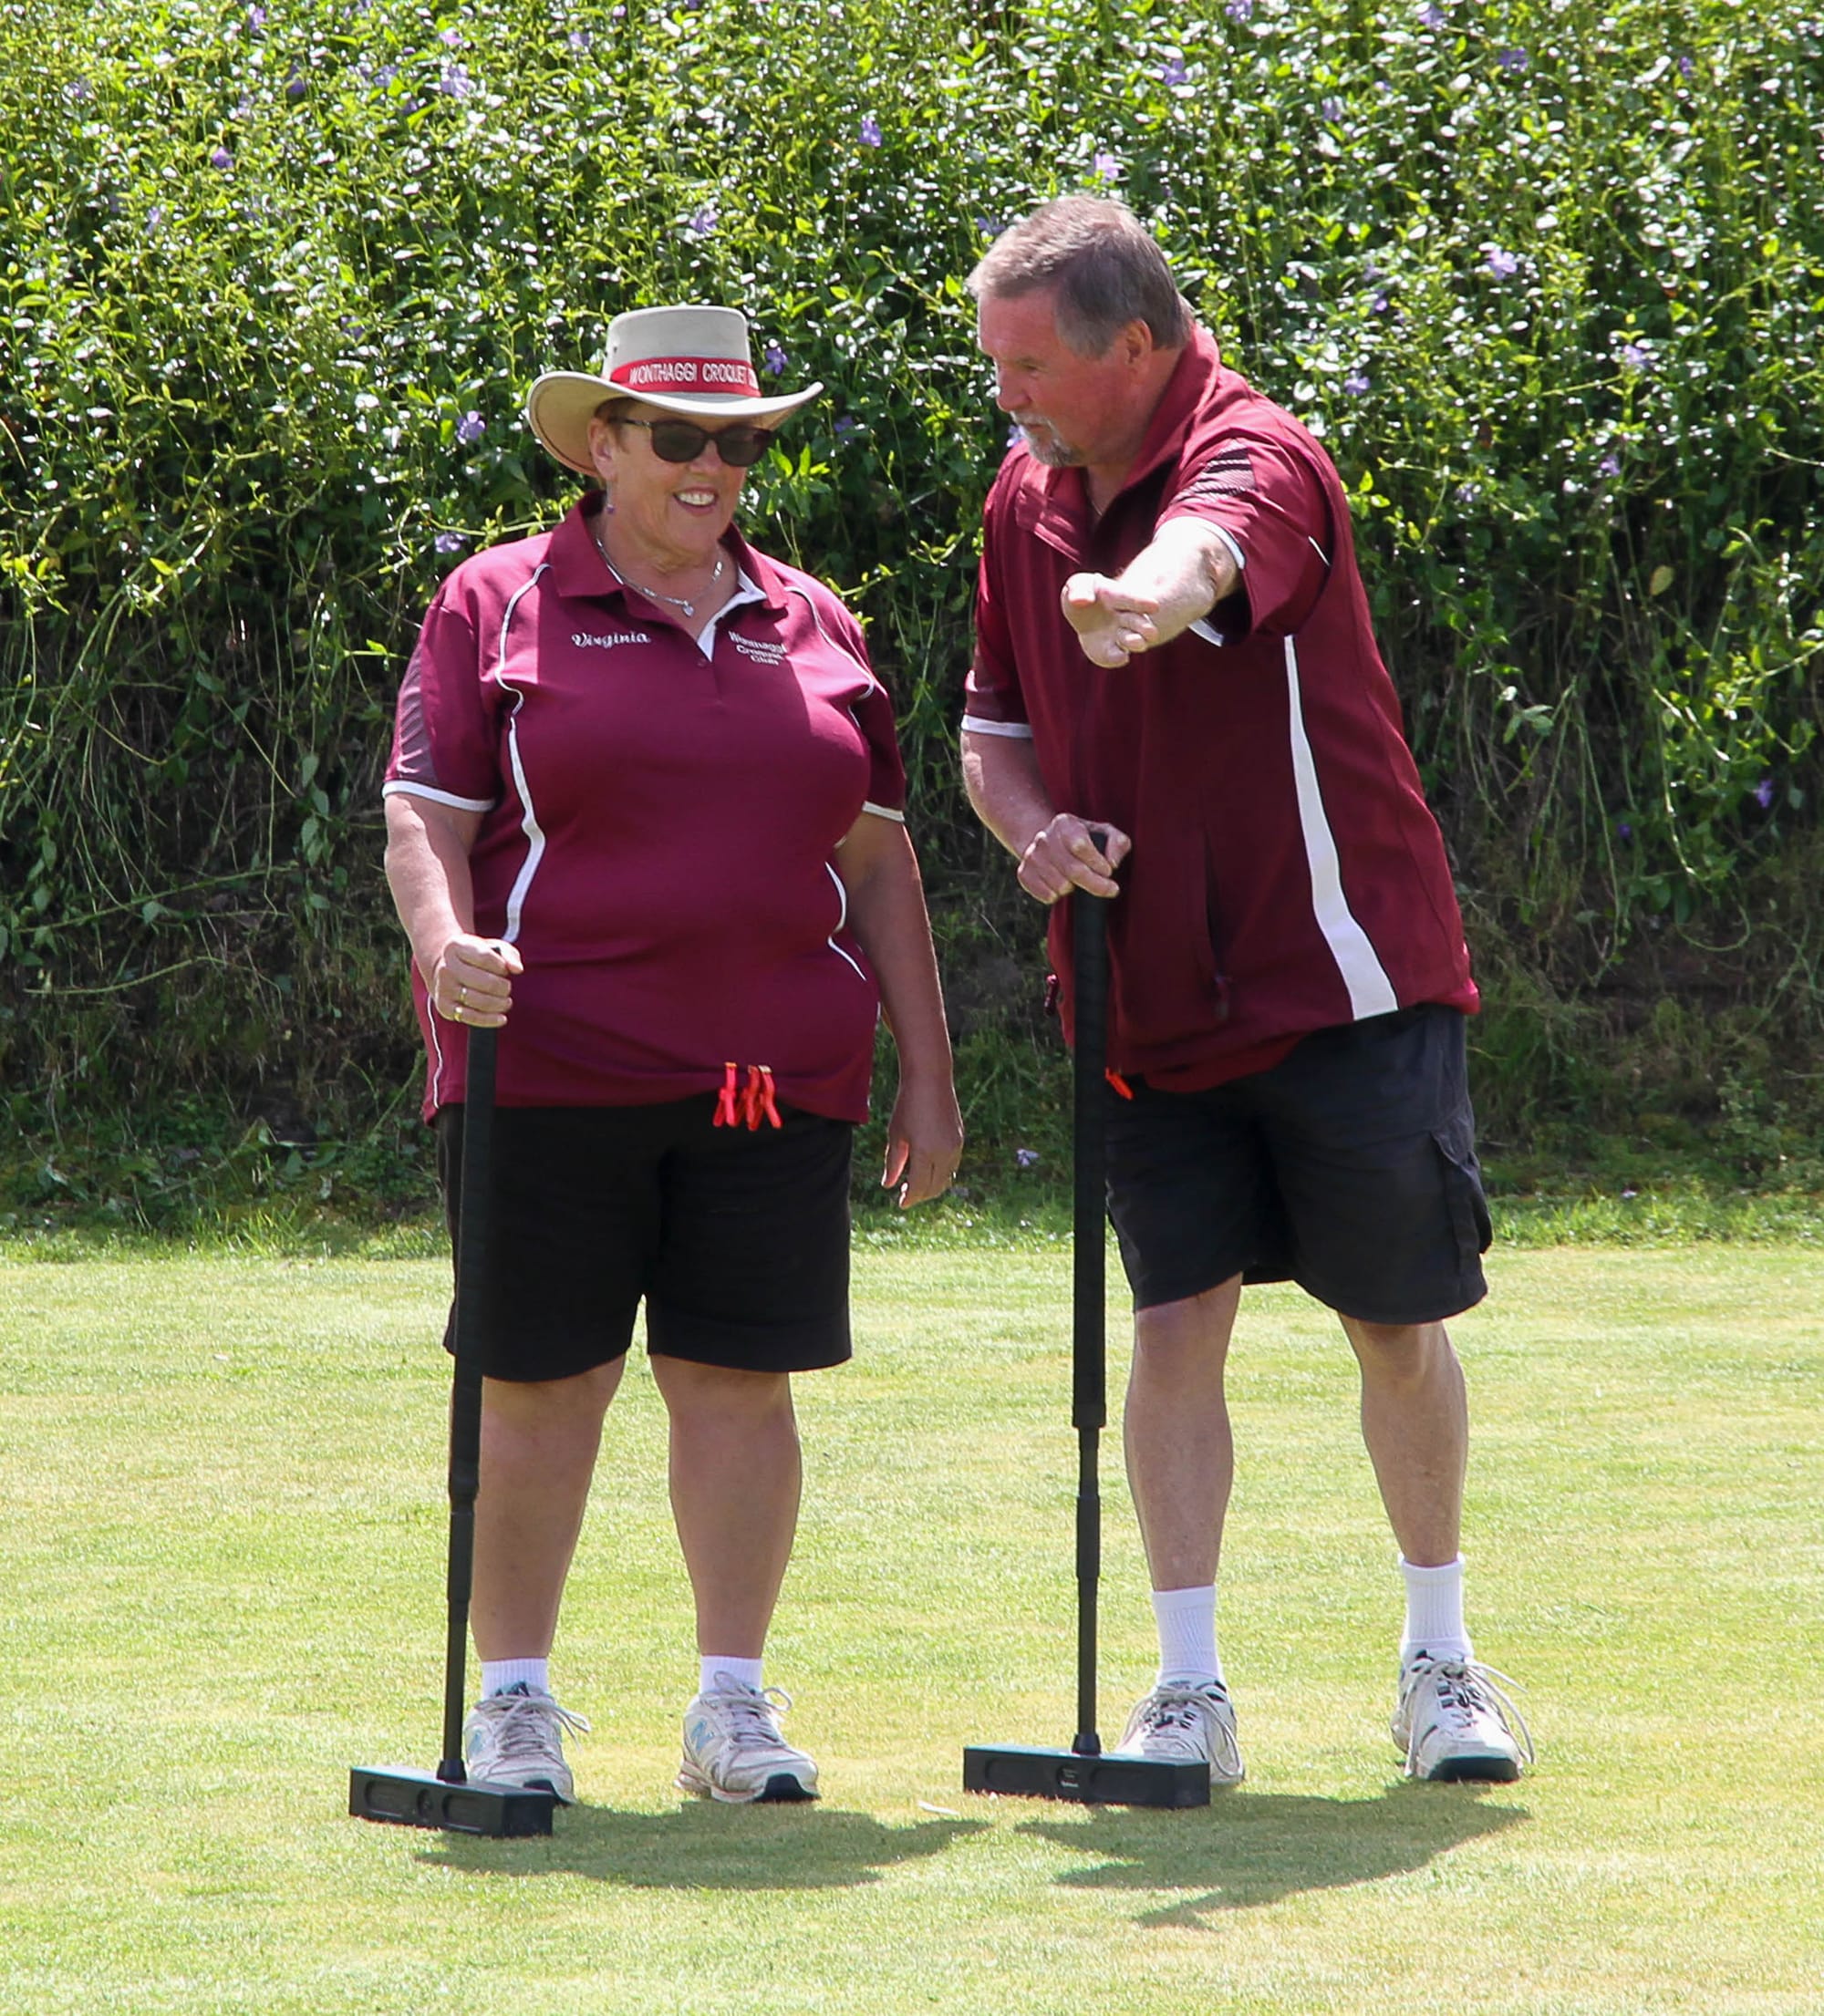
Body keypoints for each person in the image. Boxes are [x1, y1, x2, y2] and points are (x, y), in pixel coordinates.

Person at [959, 198, 1530, 1785]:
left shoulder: (1258, 451)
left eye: (1029, 365)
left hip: (1342, 974)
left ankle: (1442, 1665)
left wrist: (1145, 602)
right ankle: (1187, 1695)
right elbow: (991, 727)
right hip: (1144, 990)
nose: (1006, 394)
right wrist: (1033, 831)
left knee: (1395, 1321)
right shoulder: (1024, 497)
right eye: (996, 363)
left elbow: (1214, 543)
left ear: (1133, 348)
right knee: (1172, 1323)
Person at [382, 304, 963, 1806]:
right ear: (602, 445)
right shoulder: (497, 601)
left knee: (737, 1383)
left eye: (742, 439)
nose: (715, 467)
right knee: (543, 1387)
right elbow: (425, 819)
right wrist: (445, 952)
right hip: (548, 1065)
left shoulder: (814, 618)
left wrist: (929, 1074)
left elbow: (883, 867)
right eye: (681, 437)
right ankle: (512, 1707)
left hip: (769, 1080)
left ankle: (732, 1710)